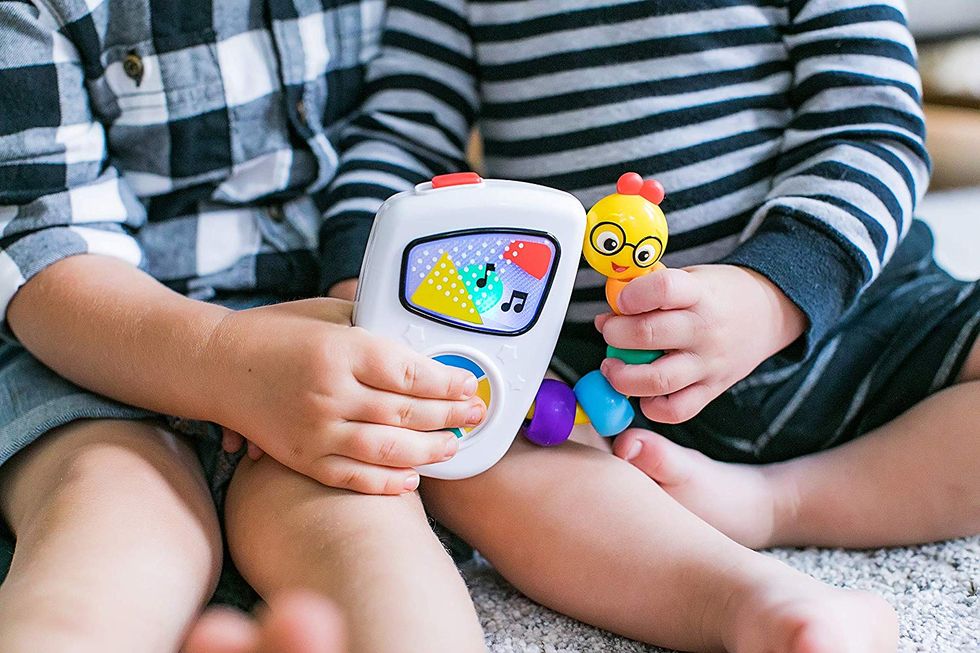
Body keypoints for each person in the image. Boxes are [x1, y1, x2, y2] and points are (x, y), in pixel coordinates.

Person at [0, 1, 485, 651]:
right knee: (112, 521)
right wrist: (222, 359)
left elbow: (405, 143)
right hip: (94, 345)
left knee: (372, 537)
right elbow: (41, 240)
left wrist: (361, 323)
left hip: (323, 328)